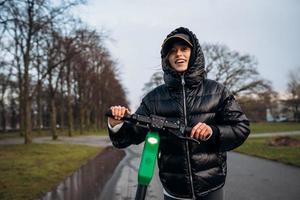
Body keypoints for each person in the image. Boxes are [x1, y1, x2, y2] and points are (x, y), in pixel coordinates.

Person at [107, 27, 250, 200]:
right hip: (174, 189)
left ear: (194, 53)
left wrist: (213, 131)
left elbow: (241, 128)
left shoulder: (218, 91)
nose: (179, 54)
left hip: (211, 187)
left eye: (184, 49)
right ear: (166, 58)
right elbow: (129, 136)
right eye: (173, 51)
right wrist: (116, 125)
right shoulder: (153, 99)